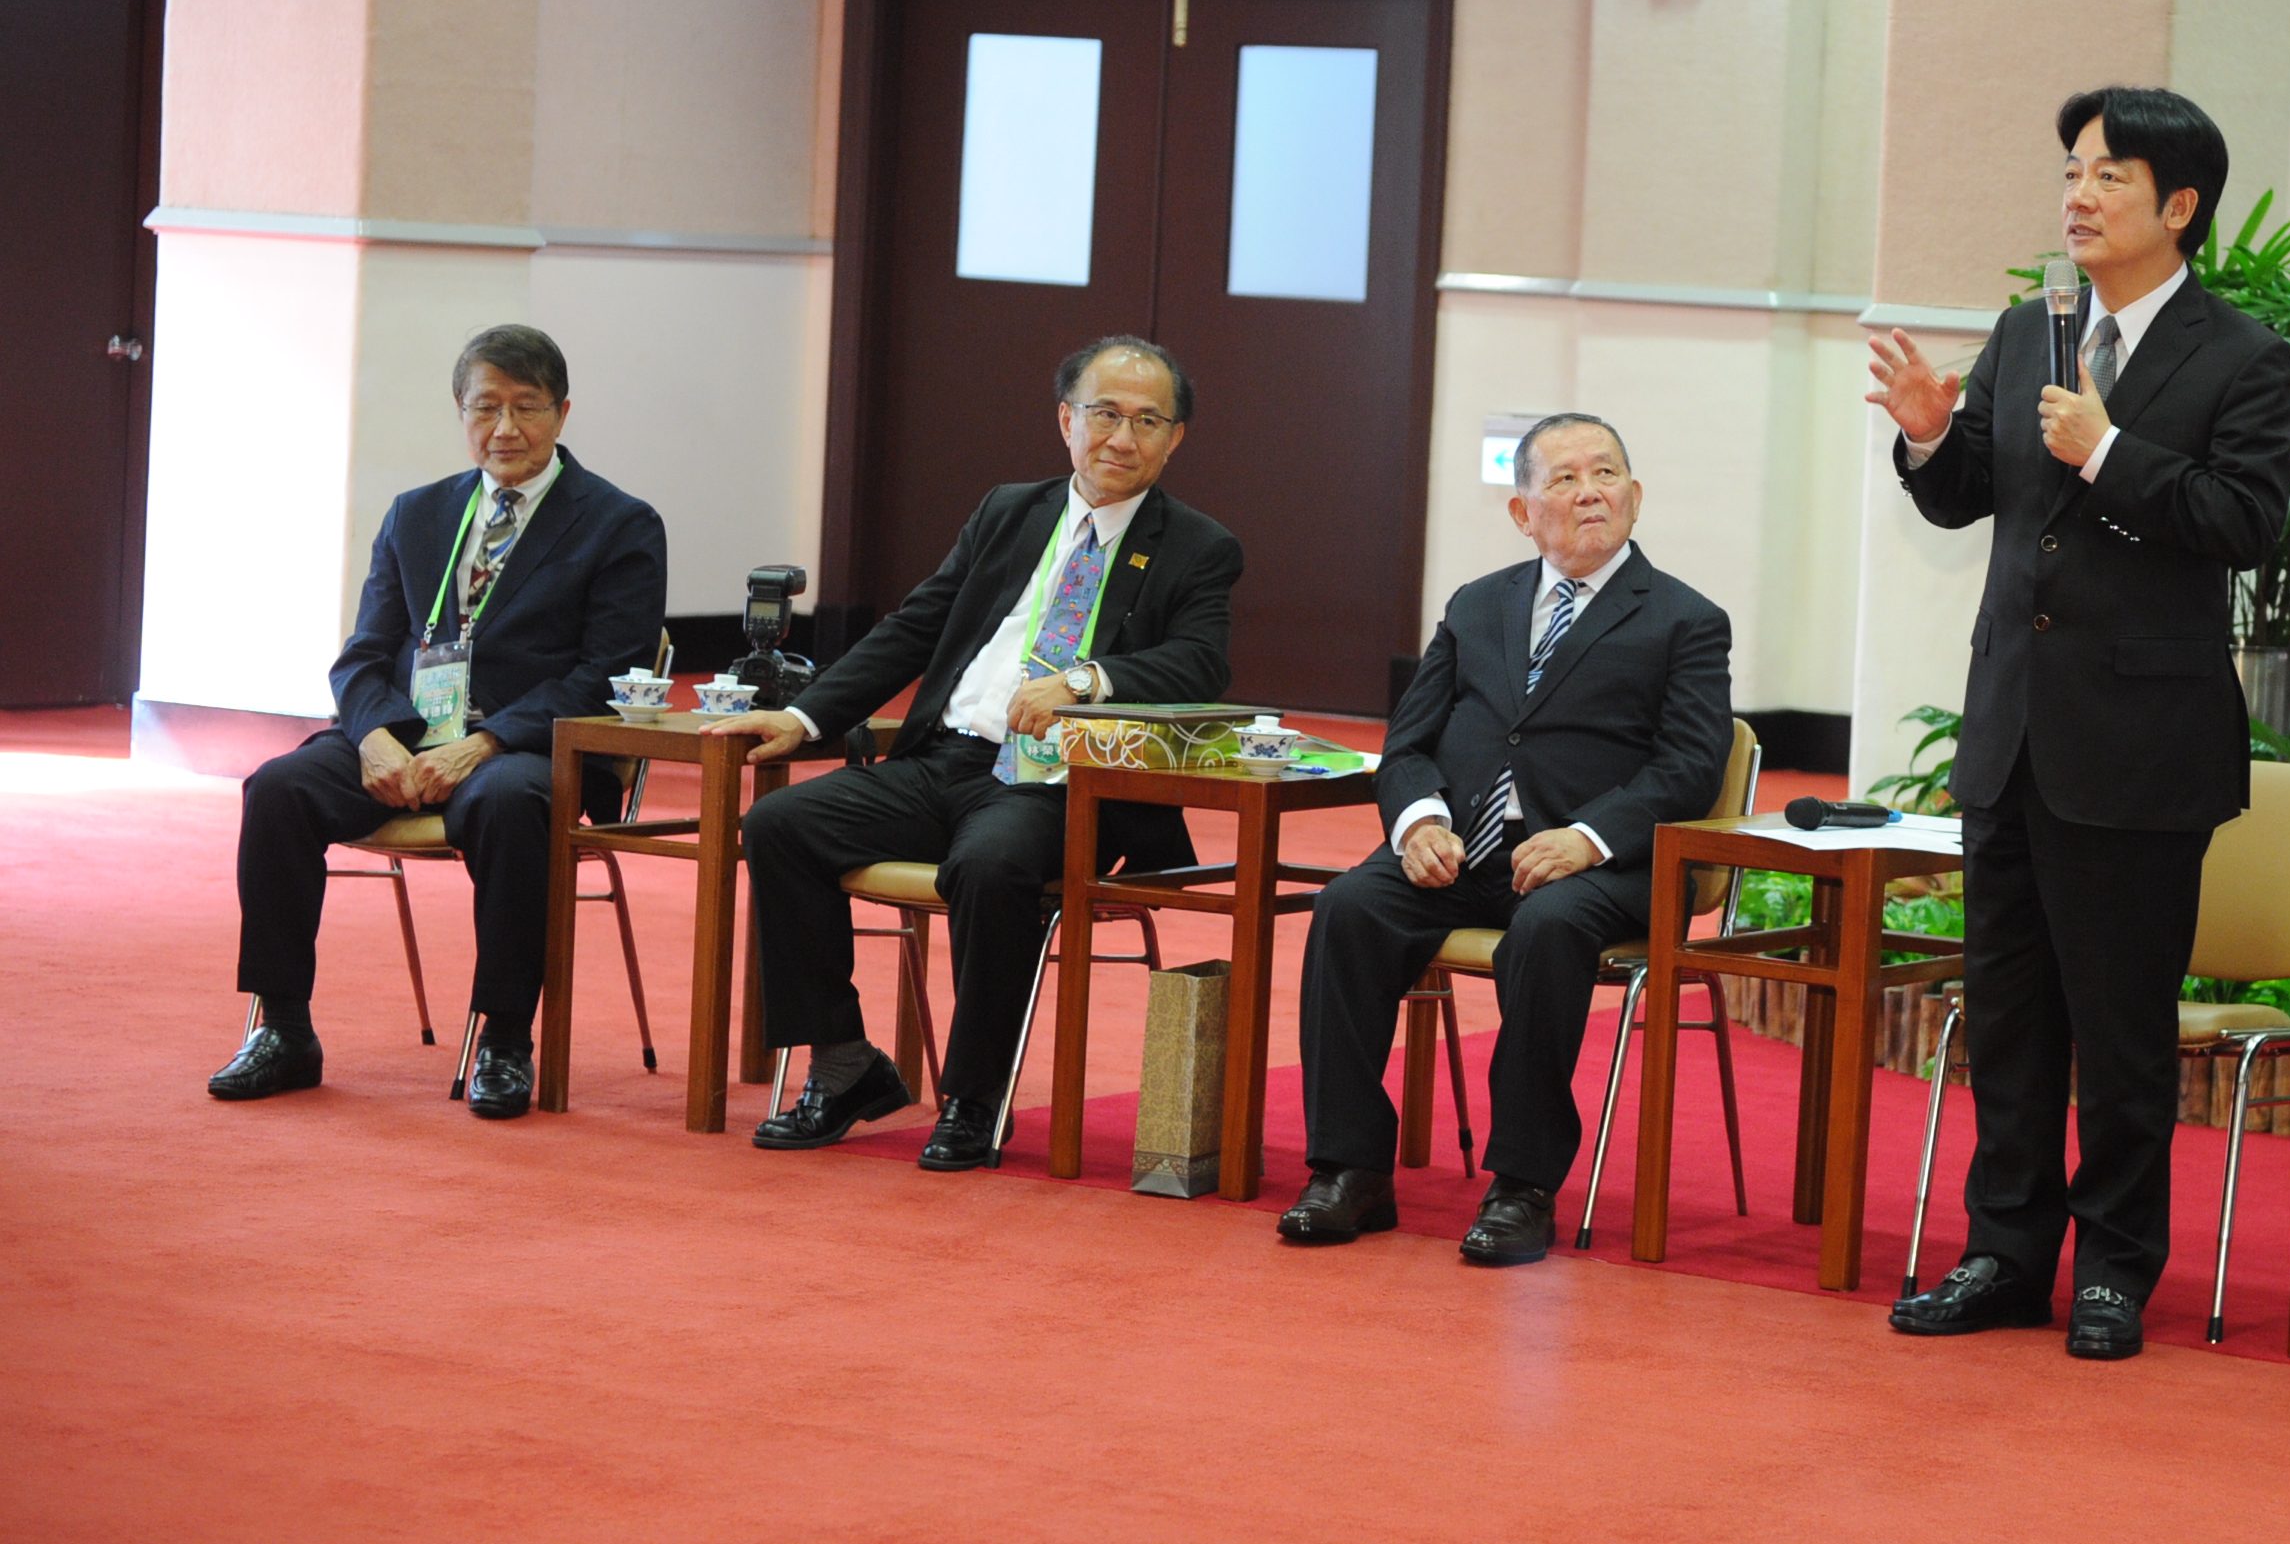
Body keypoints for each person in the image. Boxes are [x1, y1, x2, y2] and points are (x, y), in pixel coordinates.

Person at [1865, 86, 2290, 1359]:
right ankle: (2002, 1253)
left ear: (2180, 204)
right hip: (2010, 734)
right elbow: (1973, 497)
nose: (2078, 195)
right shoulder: (2028, 329)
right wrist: (1930, 437)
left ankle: (2113, 1269)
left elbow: (2246, 523)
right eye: (2071, 170)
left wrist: (2110, 450)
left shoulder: (2240, 355)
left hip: (2140, 746)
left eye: (2108, 175)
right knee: (2008, 1022)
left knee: (2118, 1034)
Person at [710, 336, 1241, 1169]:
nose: (1122, 438)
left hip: (1060, 786)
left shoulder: (1198, 545)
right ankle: (844, 1064)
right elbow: (916, 625)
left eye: (1148, 421)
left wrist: (1086, 680)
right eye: (1104, 414)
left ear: (1175, 439)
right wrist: (807, 719)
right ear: (1066, 420)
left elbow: (1200, 664)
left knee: (990, 866)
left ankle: (973, 1096)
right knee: (780, 825)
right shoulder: (1010, 511)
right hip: (945, 760)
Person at [1278, 414, 1731, 1265]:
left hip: (1605, 867)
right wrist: (1420, 821)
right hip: (1466, 851)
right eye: (1564, 478)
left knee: (1549, 928)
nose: (1590, 492)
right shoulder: (1477, 603)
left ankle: (1522, 1186)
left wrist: (1588, 838)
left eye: (1605, 474)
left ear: (1635, 497)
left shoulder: (1685, 620)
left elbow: (1691, 767)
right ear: (1523, 513)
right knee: (1348, 908)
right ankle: (1349, 1168)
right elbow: (1408, 743)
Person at [207, 324, 668, 1119]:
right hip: (409, 734)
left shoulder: (618, 523)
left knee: (508, 801)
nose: (505, 429)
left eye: (526, 407)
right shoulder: (416, 515)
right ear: (461, 413)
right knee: (279, 788)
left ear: (562, 412)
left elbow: (607, 674)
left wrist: (485, 743)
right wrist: (375, 736)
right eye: (485, 408)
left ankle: (504, 1038)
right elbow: (362, 656)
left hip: (530, 745)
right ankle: (283, 1028)